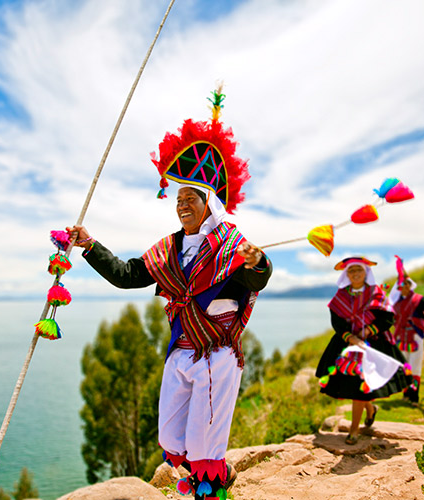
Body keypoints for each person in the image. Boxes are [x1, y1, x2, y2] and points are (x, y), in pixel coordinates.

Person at [67, 91, 271, 500]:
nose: (181, 205)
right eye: (178, 200)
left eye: (190, 199)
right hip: (180, 351)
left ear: (208, 203)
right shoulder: (169, 249)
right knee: (171, 439)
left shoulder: (232, 246)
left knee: (203, 445)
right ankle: (215, 476)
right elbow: (127, 275)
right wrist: (89, 245)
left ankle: (210, 488)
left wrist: (257, 260)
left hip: (216, 355)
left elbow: (257, 280)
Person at [315, 257, 411, 445]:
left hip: (374, 343)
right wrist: (351, 338)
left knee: (362, 384)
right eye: (351, 271)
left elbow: (387, 319)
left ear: (366, 272)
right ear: (346, 274)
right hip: (347, 343)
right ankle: (370, 409)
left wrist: (367, 331)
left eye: (359, 270)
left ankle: (354, 430)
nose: (355, 274)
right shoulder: (340, 297)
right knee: (356, 386)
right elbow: (337, 322)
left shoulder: (376, 293)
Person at [388, 255, 424, 405]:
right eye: (403, 285)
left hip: (415, 335)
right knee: (403, 365)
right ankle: (406, 393)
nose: (405, 287)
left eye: (408, 284)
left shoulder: (419, 300)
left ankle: (414, 396)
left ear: (410, 285)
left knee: (414, 366)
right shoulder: (396, 303)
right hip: (400, 336)